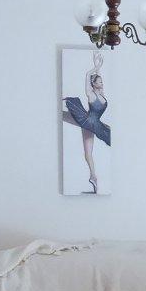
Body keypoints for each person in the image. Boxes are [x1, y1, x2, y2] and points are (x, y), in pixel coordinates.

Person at [61, 53, 110, 193]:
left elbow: (96, 78)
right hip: (87, 121)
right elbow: (88, 76)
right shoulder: (91, 94)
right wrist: (94, 67)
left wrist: (98, 66)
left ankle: (93, 177)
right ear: (94, 84)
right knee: (88, 152)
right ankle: (93, 177)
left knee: (89, 153)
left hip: (94, 124)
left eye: (102, 82)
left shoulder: (101, 93)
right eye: (100, 82)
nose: (102, 83)